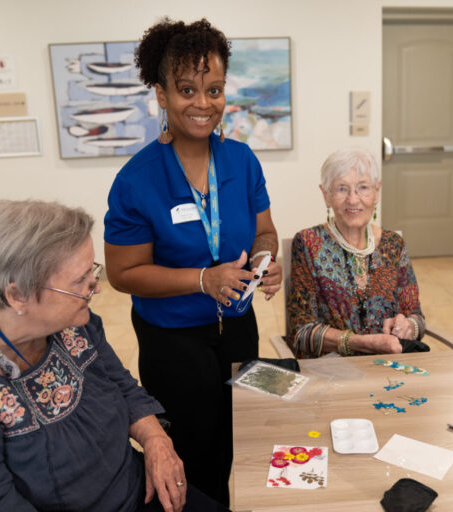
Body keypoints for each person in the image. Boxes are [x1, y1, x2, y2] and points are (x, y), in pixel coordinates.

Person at [0, 200, 226, 512]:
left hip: (135, 488)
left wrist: (155, 440)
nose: (95, 287)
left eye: (92, 272)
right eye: (80, 280)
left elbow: (118, 383)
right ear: (17, 294)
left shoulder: (67, 319)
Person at [103, 17, 281, 507]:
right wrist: (203, 280)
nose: (203, 104)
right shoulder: (136, 180)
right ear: (161, 94)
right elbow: (122, 273)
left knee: (242, 444)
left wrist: (267, 259)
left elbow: (265, 231)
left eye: (214, 89)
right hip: (173, 342)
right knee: (196, 456)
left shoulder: (243, 161)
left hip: (239, 329)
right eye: (187, 89)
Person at [287, 148, 426, 358]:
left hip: (389, 368)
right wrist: (364, 343)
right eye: (342, 189)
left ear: (377, 191)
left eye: (363, 187)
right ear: (326, 195)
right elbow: (301, 332)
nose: (353, 200)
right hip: (331, 374)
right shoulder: (308, 244)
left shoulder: (394, 244)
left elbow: (417, 317)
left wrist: (408, 326)